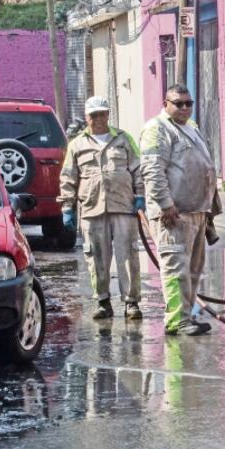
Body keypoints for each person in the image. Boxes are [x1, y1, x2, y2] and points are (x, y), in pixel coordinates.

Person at [139, 85, 220, 337]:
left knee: (193, 270)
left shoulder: (191, 128)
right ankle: (176, 320)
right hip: (174, 214)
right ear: (166, 103)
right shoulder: (157, 129)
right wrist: (166, 204)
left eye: (188, 103)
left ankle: (187, 315)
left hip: (197, 211)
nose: (185, 108)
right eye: (178, 103)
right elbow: (152, 170)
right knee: (176, 268)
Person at [59, 96, 145, 320]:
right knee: (96, 257)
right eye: (93, 115)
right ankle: (103, 301)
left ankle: (131, 302)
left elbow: (138, 169)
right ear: (87, 117)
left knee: (128, 256)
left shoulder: (124, 139)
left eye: (102, 114)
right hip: (91, 208)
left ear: (108, 115)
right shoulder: (76, 145)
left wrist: (140, 196)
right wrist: (67, 207)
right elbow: (68, 177)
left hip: (124, 206)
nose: (98, 119)